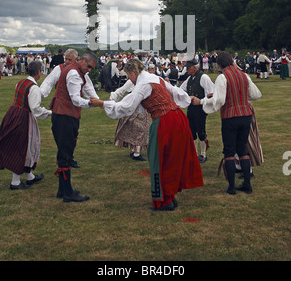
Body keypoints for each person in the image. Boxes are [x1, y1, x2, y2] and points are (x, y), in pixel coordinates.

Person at [91, 58, 203, 211]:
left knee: (158, 159)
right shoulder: (155, 78)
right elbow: (177, 93)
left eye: (129, 75)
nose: (129, 79)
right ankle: (170, 195)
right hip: (178, 118)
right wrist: (186, 100)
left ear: (134, 72)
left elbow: (127, 105)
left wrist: (102, 104)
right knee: (172, 159)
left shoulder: (143, 84)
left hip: (165, 121)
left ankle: (164, 201)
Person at [191, 51, 261, 195]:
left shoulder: (223, 77)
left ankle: (231, 187)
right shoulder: (244, 75)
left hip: (231, 117)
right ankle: (247, 185)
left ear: (219, 64)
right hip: (246, 115)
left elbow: (219, 101)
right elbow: (255, 94)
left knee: (229, 151)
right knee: (242, 150)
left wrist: (202, 101)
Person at [0, 61, 51, 190]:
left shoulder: (21, 82)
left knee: (25, 145)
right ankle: (15, 182)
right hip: (23, 117)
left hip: (13, 113)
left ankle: (29, 176)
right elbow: (35, 109)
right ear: (39, 72)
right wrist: (50, 112)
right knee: (21, 146)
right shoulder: (34, 88)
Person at [50, 52, 99, 203]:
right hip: (65, 116)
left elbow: (86, 91)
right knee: (65, 155)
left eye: (92, 68)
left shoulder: (75, 70)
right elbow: (76, 99)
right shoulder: (74, 73)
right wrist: (91, 103)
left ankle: (62, 190)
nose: (89, 70)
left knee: (64, 152)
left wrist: (96, 99)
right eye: (89, 66)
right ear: (83, 60)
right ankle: (68, 193)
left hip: (63, 115)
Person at [40, 49, 80, 168]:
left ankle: (69, 157)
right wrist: (41, 93)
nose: (67, 62)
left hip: (74, 106)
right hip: (60, 106)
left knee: (73, 134)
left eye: (70, 60)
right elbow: (49, 82)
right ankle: (64, 159)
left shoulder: (79, 71)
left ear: (76, 60)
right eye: (65, 59)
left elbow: (87, 86)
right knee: (61, 135)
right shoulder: (59, 69)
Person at [180, 58, 215, 163]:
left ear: (194, 68)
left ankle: (203, 154)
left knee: (201, 131)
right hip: (191, 108)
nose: (187, 70)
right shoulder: (189, 79)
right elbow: (181, 90)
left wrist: (201, 101)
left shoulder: (203, 77)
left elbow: (210, 93)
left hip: (200, 108)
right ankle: (194, 153)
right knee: (191, 131)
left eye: (188, 68)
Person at [110, 79, 151, 161]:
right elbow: (121, 91)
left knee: (141, 129)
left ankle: (135, 151)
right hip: (132, 108)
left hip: (142, 108)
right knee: (136, 129)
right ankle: (136, 153)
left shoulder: (146, 81)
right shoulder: (131, 81)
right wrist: (111, 100)